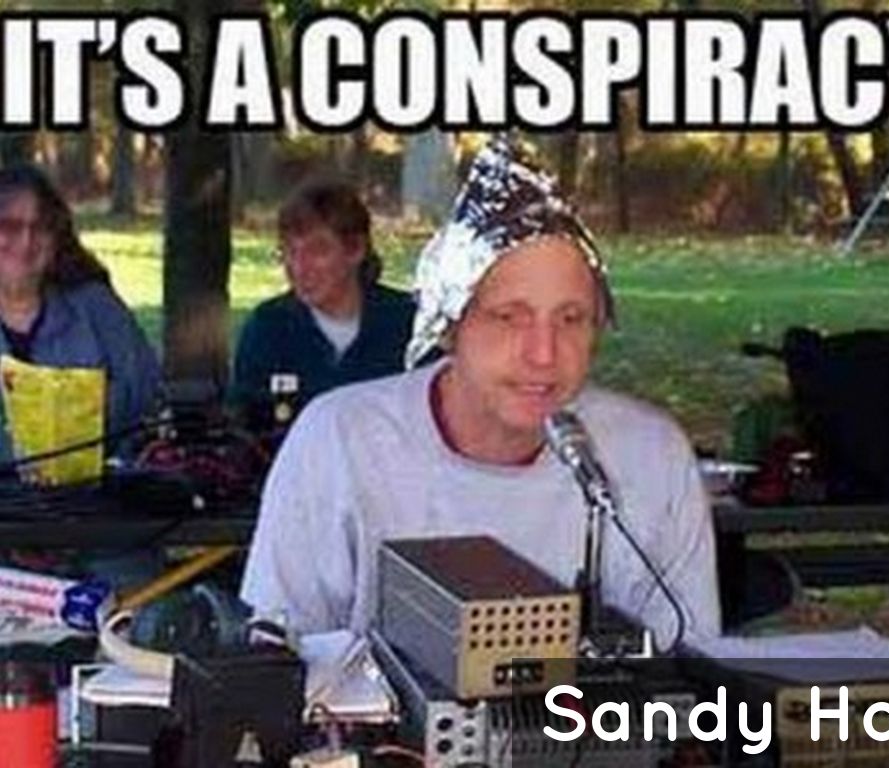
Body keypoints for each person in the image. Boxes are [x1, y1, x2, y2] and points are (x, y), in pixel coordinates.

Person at [241, 138, 721, 652]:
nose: (544, 354)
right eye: (508, 317)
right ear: (450, 328)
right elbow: (277, 656)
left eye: (571, 319)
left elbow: (694, 667)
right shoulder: (337, 440)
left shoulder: (652, 455)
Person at [0, 164, 160, 464]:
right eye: (9, 226)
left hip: (93, 489)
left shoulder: (97, 309)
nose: (26, 241)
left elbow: (149, 403)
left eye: (41, 227)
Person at [231, 178, 415, 430]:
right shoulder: (268, 328)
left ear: (356, 250)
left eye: (317, 251)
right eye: (290, 251)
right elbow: (243, 426)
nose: (300, 267)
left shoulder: (406, 323)